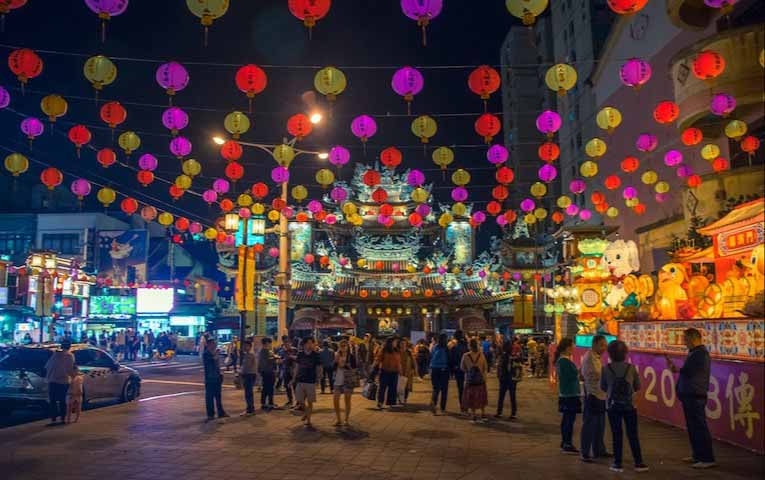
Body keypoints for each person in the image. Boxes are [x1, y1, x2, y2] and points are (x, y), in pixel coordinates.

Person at [666, 328, 716, 469]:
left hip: (695, 395)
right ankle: (697, 455)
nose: (684, 342)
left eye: (686, 339)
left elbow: (688, 371)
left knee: (699, 427)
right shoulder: (694, 353)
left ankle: (707, 458)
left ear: (694, 339)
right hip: (690, 395)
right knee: (693, 427)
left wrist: (675, 369)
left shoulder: (700, 354)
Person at [601, 340, 649, 473]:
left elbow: (603, 387)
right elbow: (637, 386)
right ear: (625, 353)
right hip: (629, 406)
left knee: (617, 434)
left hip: (612, 406)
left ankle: (617, 463)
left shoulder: (606, 369)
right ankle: (639, 462)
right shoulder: (631, 368)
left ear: (610, 354)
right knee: (633, 434)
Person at [580, 334, 610, 462]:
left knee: (600, 425)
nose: (604, 348)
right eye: (602, 345)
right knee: (589, 425)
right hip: (593, 395)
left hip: (600, 395)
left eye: (605, 346)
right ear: (594, 344)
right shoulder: (590, 358)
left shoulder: (596, 357)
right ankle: (585, 452)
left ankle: (599, 450)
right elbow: (599, 374)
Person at [555, 337, 581, 454]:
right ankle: (567, 443)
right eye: (571, 346)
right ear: (567, 347)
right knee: (569, 420)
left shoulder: (562, 361)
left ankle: (565, 442)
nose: (573, 349)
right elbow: (573, 376)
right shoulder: (564, 362)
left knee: (567, 419)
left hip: (566, 394)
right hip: (569, 394)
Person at [44, 341, 75, 426]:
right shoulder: (69, 355)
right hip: (63, 381)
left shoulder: (55, 355)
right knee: (62, 400)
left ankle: (53, 419)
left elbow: (47, 367)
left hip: (52, 380)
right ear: (69, 347)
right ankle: (62, 419)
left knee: (53, 401)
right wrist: (74, 376)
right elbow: (69, 369)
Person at [293, 337, 321, 428]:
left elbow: (318, 368)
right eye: (308, 343)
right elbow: (296, 367)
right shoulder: (300, 354)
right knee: (300, 400)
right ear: (304, 344)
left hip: (311, 380)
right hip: (300, 380)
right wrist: (293, 378)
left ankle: (308, 420)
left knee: (310, 401)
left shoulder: (316, 355)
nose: (310, 345)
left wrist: (318, 379)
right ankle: (306, 413)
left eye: (311, 343)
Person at [461, 338, 489, 422]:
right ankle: (483, 413)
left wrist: (469, 371)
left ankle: (473, 415)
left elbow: (462, 368)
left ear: (469, 345)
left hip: (470, 381)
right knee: (481, 396)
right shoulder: (481, 355)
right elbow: (485, 367)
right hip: (480, 380)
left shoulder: (465, 356)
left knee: (472, 397)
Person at [332, 339, 357, 426]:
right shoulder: (336, 355)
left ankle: (346, 419)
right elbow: (333, 368)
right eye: (341, 346)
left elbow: (354, 368)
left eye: (344, 346)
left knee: (347, 400)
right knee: (335, 400)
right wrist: (335, 361)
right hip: (338, 380)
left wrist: (345, 365)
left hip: (348, 380)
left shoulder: (351, 356)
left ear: (348, 347)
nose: (343, 348)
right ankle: (338, 419)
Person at [202, 338, 228, 421]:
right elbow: (212, 360)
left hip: (217, 377)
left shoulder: (214, 353)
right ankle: (210, 414)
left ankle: (221, 412)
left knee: (218, 396)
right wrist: (216, 355)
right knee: (209, 397)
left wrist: (220, 374)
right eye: (213, 344)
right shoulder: (206, 354)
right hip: (210, 379)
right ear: (208, 345)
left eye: (215, 343)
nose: (215, 345)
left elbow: (217, 365)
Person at [495, 339, 521, 419]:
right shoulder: (514, 356)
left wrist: (499, 376)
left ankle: (499, 412)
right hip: (512, 379)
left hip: (504, 379)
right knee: (512, 396)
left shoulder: (503, 356)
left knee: (501, 396)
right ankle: (513, 413)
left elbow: (500, 368)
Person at [374, 337, 402, 410]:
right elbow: (378, 359)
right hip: (385, 371)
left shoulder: (397, 350)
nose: (396, 343)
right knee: (382, 388)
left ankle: (391, 403)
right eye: (395, 342)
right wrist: (375, 367)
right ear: (390, 342)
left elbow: (399, 362)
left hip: (394, 372)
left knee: (393, 388)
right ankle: (380, 402)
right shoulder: (384, 350)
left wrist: (400, 370)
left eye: (396, 342)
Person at [429, 333, 451, 415]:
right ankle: (442, 407)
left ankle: (433, 404)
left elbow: (431, 356)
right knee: (444, 389)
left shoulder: (434, 347)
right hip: (443, 369)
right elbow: (449, 359)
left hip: (434, 369)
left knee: (436, 388)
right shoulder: (446, 348)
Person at [449, 330, 469, 414]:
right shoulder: (466, 346)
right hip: (467, 370)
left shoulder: (454, 347)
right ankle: (467, 406)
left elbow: (451, 360)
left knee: (460, 389)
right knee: (467, 388)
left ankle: (462, 406)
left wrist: (452, 371)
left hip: (458, 370)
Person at [258, 337, 277, 410]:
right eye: (270, 343)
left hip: (264, 371)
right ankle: (269, 403)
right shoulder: (267, 351)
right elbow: (269, 361)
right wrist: (275, 358)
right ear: (266, 343)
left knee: (265, 387)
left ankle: (264, 403)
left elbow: (261, 362)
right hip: (269, 371)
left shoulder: (262, 351)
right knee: (269, 388)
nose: (270, 344)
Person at [240, 338, 257, 416]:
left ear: (250, 346)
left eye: (246, 346)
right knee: (248, 392)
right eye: (243, 346)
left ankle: (250, 409)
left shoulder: (250, 354)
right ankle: (249, 409)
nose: (244, 347)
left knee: (248, 393)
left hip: (249, 375)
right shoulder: (248, 354)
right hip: (250, 374)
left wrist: (240, 373)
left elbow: (246, 366)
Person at [399, 338, 415, 404]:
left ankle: (404, 399)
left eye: (404, 343)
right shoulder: (397, 351)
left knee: (406, 387)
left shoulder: (409, 352)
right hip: (399, 371)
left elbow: (413, 361)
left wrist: (413, 370)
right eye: (401, 343)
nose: (402, 345)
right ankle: (400, 399)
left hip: (407, 372)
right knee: (399, 386)